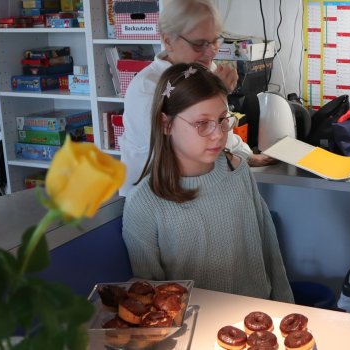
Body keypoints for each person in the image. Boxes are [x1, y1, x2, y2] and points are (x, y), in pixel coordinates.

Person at [122, 62, 294, 303]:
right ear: (166, 124)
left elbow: (269, 250)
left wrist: (287, 307)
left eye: (223, 119)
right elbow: (150, 299)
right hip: (195, 332)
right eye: (202, 123)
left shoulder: (238, 171)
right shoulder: (143, 203)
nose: (218, 134)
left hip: (256, 322)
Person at [119, 0, 273, 196]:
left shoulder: (204, 69)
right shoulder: (147, 88)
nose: (211, 52)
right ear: (168, 41)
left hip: (196, 190)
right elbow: (183, 148)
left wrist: (247, 155)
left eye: (215, 40)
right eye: (199, 44)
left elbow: (219, 127)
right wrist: (215, 94)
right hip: (154, 197)